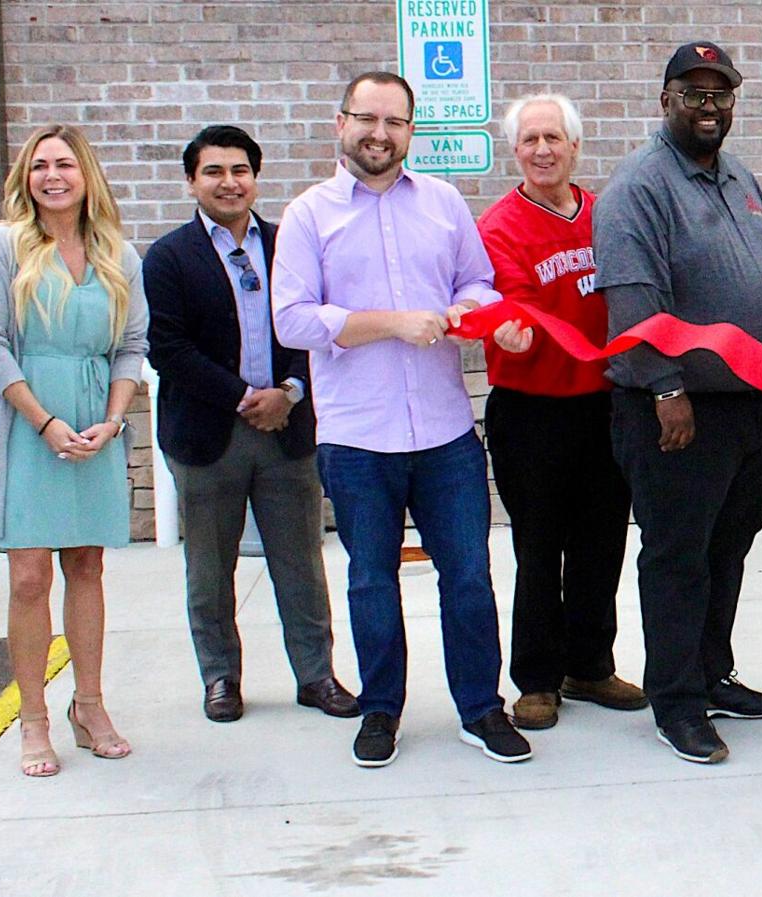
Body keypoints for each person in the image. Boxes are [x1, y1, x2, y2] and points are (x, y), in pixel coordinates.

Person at [273, 71, 536, 768]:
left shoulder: (444, 203)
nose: (379, 134)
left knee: (470, 575)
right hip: (358, 436)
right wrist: (390, 323)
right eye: (367, 119)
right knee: (370, 577)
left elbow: (475, 284)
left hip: (445, 430)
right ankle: (381, 708)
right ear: (340, 124)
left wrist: (482, 319)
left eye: (394, 122)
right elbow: (292, 316)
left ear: (411, 132)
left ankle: (481, 706)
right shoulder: (309, 215)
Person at [595, 42, 762, 765]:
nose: (709, 107)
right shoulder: (639, 186)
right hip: (676, 410)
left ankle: (714, 673)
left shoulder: (736, 174)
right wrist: (666, 386)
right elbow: (633, 298)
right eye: (694, 94)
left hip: (745, 405)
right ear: (665, 101)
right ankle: (675, 700)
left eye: (721, 95)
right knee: (678, 556)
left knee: (727, 550)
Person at [144, 125, 357, 724]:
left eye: (239, 170)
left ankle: (316, 676)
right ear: (192, 181)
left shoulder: (291, 242)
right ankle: (220, 678)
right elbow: (169, 348)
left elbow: (314, 323)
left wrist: (288, 392)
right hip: (208, 437)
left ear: (255, 178)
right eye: (214, 171)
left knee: (301, 564)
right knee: (210, 570)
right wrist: (244, 397)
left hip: (287, 430)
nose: (228, 182)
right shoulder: (167, 257)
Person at [0, 124, 148, 776]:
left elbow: (130, 347)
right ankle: (35, 717)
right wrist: (43, 422)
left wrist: (112, 420)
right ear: (25, 177)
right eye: (39, 165)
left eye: (64, 163)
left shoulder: (115, 255)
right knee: (29, 575)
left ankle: (90, 705)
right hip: (25, 425)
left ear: (85, 174)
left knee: (88, 566)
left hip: (95, 427)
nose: (52, 175)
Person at [477, 93, 646, 731]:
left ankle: (591, 666)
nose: (542, 150)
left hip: (604, 407)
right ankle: (537, 680)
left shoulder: (608, 215)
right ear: (515, 151)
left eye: (554, 138)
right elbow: (512, 303)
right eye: (530, 141)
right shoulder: (500, 227)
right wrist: (512, 330)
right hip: (532, 412)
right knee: (540, 548)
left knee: (602, 543)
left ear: (576, 146)